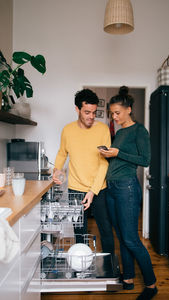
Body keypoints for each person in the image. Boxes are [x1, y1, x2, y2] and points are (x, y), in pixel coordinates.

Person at [99, 86, 157, 299]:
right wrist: (110, 154)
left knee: (131, 238)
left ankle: (151, 285)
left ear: (129, 109)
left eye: (117, 113)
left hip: (127, 188)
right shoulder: (120, 132)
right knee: (122, 237)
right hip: (112, 187)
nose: (114, 117)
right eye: (112, 113)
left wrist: (119, 153)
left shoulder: (138, 130)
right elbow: (120, 158)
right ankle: (128, 279)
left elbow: (145, 160)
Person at [53, 88, 114, 254]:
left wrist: (92, 191)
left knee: (106, 231)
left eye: (94, 112)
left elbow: (104, 163)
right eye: (87, 112)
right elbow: (62, 153)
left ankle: (109, 269)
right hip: (76, 189)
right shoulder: (68, 130)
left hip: (99, 189)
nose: (91, 117)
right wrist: (57, 171)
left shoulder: (102, 130)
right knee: (79, 232)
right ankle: (82, 267)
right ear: (77, 109)